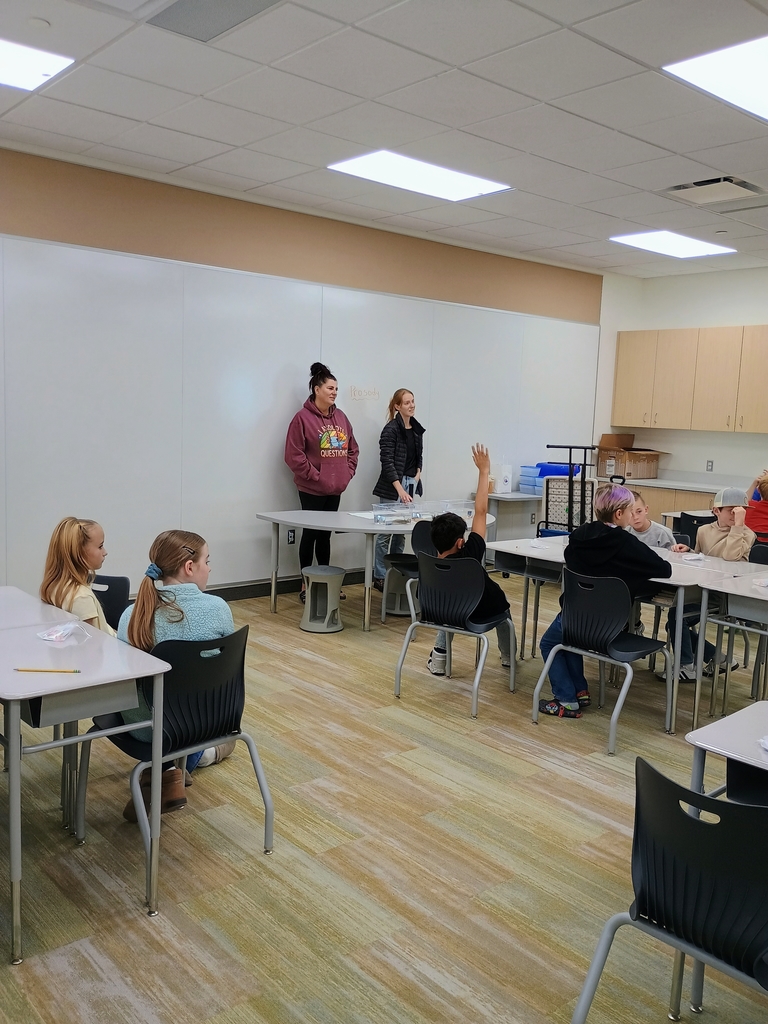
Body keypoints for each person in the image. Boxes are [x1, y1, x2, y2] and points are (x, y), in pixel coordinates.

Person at [117, 530, 236, 821]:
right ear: (189, 567)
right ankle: (173, 771)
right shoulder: (219, 609)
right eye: (207, 561)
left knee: (163, 723)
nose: (209, 568)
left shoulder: (132, 614)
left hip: (146, 728)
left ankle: (160, 773)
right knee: (227, 742)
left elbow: (122, 681)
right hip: (207, 722)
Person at [538, 483, 671, 718]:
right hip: (611, 624)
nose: (633, 515)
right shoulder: (625, 542)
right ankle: (570, 697)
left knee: (556, 641)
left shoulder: (578, 537)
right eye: (631, 510)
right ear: (619, 514)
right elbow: (663, 568)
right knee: (558, 642)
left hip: (575, 618)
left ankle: (575, 692)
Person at [426, 444, 512, 675]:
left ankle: (439, 658)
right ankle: (508, 658)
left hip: (441, 612)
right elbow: (481, 511)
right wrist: (484, 472)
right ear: (460, 542)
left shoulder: (429, 563)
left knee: (448, 607)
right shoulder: (470, 554)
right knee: (504, 615)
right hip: (479, 612)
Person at [285, 362, 359, 602]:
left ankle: (326, 582)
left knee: (325, 535)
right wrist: (316, 476)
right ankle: (306, 584)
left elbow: (353, 450)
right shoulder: (302, 419)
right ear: (317, 389)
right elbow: (293, 455)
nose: (334, 392)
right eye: (330, 387)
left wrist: (346, 474)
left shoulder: (341, 417)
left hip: (335, 489)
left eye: (336, 388)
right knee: (310, 533)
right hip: (311, 489)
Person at [664, 487, 756, 678]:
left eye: (739, 510)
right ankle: (719, 658)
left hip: (725, 595)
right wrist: (688, 552)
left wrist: (738, 526)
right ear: (716, 511)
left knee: (677, 616)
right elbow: (703, 559)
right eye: (730, 509)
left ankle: (686, 667)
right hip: (702, 589)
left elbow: (730, 558)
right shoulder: (704, 530)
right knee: (675, 619)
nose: (735, 514)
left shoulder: (747, 534)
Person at [372, 388, 426, 591]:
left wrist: (417, 474)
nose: (411, 405)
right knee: (385, 532)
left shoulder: (417, 428)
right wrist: (399, 489)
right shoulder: (390, 429)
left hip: (410, 482)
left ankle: (396, 572)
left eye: (412, 401)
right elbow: (387, 462)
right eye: (406, 402)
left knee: (402, 532)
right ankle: (379, 574)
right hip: (392, 486)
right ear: (397, 406)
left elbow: (419, 456)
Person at [40, 517, 115, 635]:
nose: (105, 552)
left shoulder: (54, 587)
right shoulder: (81, 598)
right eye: (100, 546)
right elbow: (91, 646)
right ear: (79, 553)